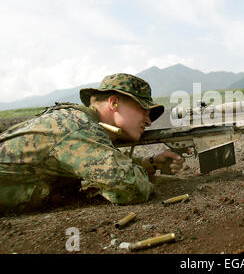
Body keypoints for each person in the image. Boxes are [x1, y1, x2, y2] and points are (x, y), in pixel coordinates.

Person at [0, 73, 185, 211]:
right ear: (114, 103)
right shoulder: (79, 127)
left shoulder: (80, 122)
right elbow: (127, 186)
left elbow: (104, 161)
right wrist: (143, 176)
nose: (148, 121)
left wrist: (150, 163)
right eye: (143, 110)